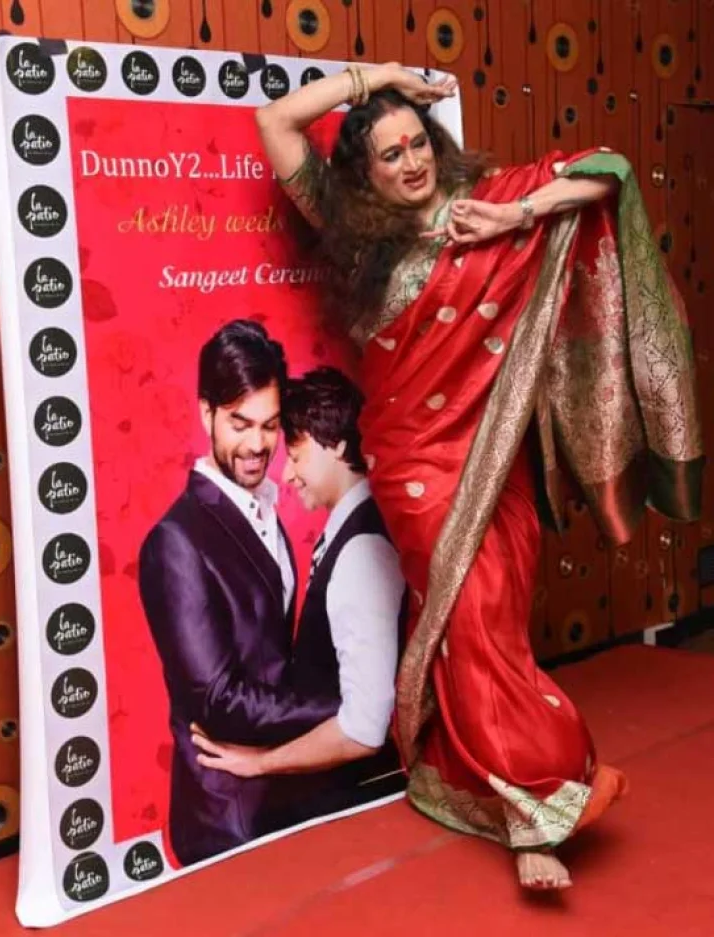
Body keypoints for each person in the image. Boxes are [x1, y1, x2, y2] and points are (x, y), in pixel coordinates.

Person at [252, 62, 704, 889]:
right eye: (389, 155)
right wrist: (378, 77)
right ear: (364, 174)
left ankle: (463, 774)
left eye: (417, 143)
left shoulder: (488, 202)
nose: (411, 163)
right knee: (475, 617)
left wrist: (515, 214)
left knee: (488, 623)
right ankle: (537, 801)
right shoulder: (356, 235)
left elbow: (608, 172)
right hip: (414, 461)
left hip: (494, 453)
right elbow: (275, 121)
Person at [138, 320, 340, 866]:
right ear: (206, 413)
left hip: (287, 791)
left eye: (270, 426)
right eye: (240, 423)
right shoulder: (176, 541)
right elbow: (219, 701)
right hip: (226, 816)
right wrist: (349, 707)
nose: (257, 445)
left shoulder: (265, 507)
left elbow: (273, 654)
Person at [192, 366, 407, 808]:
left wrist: (261, 763)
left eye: (296, 454)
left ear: (338, 445)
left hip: (354, 799)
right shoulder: (351, 530)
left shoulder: (361, 551)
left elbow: (364, 729)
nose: (287, 475)